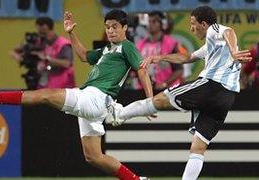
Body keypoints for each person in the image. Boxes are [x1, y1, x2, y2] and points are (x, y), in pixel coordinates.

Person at [0, 10, 152, 180]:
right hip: (93, 101)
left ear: (125, 28)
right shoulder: (107, 49)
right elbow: (83, 56)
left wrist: (150, 101)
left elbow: (142, 70)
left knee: (46, 95)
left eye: (115, 26)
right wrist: (71, 33)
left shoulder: (127, 47)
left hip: (95, 98)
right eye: (107, 27)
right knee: (94, 157)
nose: (110, 30)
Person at [107, 6, 252, 180]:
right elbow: (186, 57)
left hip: (211, 86)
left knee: (161, 99)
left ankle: (120, 114)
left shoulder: (215, 31)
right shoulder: (211, 46)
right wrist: (159, 57)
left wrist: (234, 51)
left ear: (204, 24)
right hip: (226, 98)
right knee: (198, 148)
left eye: (193, 24)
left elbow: (229, 31)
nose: (191, 28)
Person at [10, 16, 75, 89]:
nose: (41, 35)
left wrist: (47, 59)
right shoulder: (40, 42)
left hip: (63, 87)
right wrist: (19, 57)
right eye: (39, 32)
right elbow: (14, 51)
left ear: (50, 29)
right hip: (44, 86)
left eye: (43, 32)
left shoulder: (63, 44)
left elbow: (67, 63)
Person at [136, 11, 183, 94]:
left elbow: (179, 70)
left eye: (154, 21)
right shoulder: (140, 44)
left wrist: (164, 83)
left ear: (162, 24)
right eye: (149, 21)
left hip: (167, 91)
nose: (150, 24)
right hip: (144, 90)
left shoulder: (171, 43)